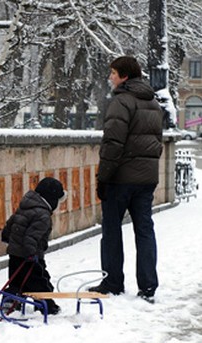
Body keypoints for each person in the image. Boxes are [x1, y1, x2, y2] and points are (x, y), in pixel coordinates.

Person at [88, 56, 163, 303]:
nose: (110, 77)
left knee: (111, 230)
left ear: (124, 76)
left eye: (113, 73)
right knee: (144, 230)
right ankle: (148, 285)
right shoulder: (153, 103)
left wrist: (103, 178)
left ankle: (112, 282)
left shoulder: (121, 102)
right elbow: (157, 142)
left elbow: (112, 144)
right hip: (146, 179)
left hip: (121, 178)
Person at [1, 177, 67, 314]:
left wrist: (8, 238)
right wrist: (31, 254)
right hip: (29, 256)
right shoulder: (42, 215)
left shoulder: (26, 206)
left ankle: (10, 301)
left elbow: (12, 223)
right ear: (51, 199)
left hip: (15, 253)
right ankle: (47, 306)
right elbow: (31, 237)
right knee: (40, 282)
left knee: (16, 280)